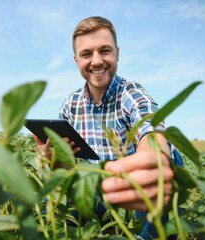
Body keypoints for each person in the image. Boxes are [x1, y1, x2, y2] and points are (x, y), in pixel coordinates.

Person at [33, 16, 182, 239]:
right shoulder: (70, 104)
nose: (96, 61)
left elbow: (151, 126)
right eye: (86, 54)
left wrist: (155, 155)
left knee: (163, 180)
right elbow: (67, 168)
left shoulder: (130, 92)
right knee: (52, 207)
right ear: (76, 60)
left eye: (105, 51)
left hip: (139, 178)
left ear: (117, 53)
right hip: (100, 180)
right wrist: (54, 160)